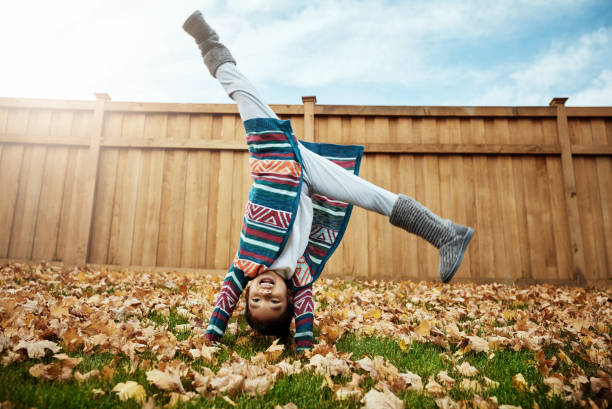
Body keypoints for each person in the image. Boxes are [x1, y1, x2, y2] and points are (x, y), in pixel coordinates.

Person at [182, 10, 474, 351]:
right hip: (307, 177)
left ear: (243, 294)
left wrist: (210, 338)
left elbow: (222, 305)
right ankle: (447, 234)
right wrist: (305, 348)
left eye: (255, 301)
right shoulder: (300, 276)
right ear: (288, 299)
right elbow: (306, 315)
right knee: (374, 197)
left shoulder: (243, 264)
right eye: (274, 303)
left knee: (243, 93)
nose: (265, 294)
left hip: (274, 164)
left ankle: (208, 42)